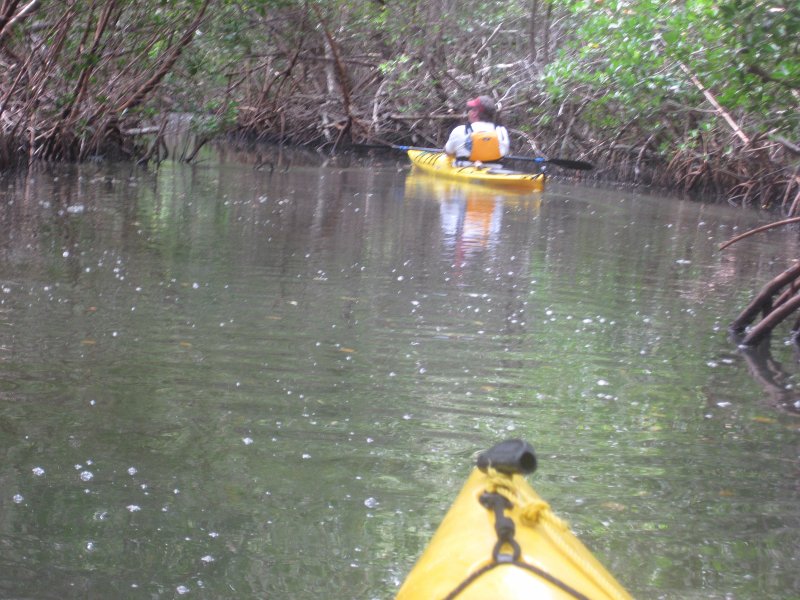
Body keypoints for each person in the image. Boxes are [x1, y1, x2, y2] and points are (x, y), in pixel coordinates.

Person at [444, 96, 510, 164]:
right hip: (496, 171)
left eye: (470, 110)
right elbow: (505, 152)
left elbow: (448, 151)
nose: (468, 112)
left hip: (465, 172)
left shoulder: (459, 130)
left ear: (474, 113)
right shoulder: (502, 131)